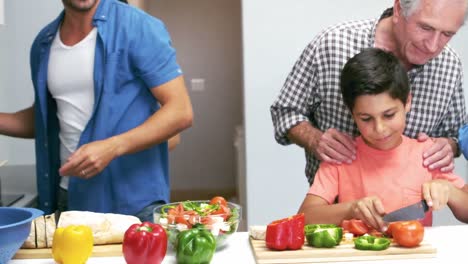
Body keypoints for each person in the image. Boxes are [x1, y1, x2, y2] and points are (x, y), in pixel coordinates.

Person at [0, 0, 193, 222]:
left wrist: (112, 147)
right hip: (67, 197)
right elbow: (44, 120)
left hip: (133, 203)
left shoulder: (138, 26)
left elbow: (180, 110)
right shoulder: (44, 43)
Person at [270, 0, 467, 185]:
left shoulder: (450, 66)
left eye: (447, 34)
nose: (433, 45)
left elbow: (457, 135)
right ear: (399, 10)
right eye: (425, 28)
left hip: (410, 211)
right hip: (335, 206)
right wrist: (314, 139)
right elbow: (285, 111)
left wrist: (449, 146)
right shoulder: (331, 45)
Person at [298, 48, 468, 232]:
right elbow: (305, 218)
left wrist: (449, 191)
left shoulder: (427, 154)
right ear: (351, 112)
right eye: (366, 118)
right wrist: (351, 209)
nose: (380, 129)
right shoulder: (342, 157)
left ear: (407, 102)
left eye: (389, 115)